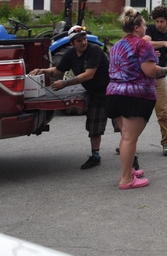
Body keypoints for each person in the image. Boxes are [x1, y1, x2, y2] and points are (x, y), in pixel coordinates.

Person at [106, 8, 167, 190]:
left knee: (126, 136)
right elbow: (150, 71)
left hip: (114, 93)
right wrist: (166, 69)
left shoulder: (116, 45)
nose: (146, 27)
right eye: (144, 24)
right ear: (137, 27)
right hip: (135, 96)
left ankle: (128, 171)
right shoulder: (142, 45)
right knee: (130, 138)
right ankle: (126, 179)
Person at [29, 25, 111, 169]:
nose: (83, 42)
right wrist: (42, 71)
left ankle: (130, 153)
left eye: (84, 39)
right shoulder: (70, 54)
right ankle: (95, 156)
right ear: (72, 43)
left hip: (111, 91)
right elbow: (58, 70)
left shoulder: (94, 50)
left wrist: (65, 83)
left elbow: (88, 75)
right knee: (94, 126)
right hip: (95, 93)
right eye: (79, 40)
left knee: (123, 123)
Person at [146, 5, 167, 156]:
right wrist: (163, 44)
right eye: (157, 21)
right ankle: (128, 141)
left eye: (162, 21)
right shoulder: (149, 30)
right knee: (138, 113)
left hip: (159, 78)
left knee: (163, 113)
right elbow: (145, 43)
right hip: (143, 78)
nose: (159, 24)